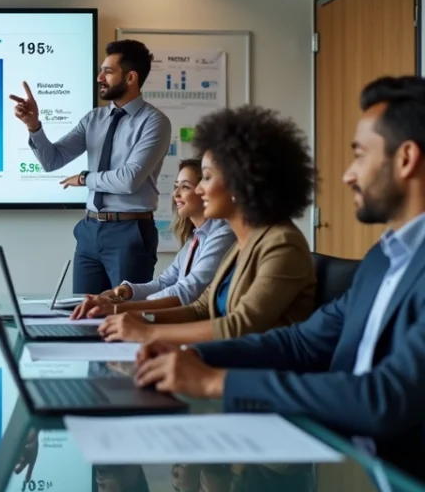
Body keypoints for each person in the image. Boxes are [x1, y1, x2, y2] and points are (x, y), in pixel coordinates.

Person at [132, 76, 425, 481]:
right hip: (344, 462)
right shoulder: (383, 259)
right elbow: (302, 341)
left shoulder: (289, 242)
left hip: (387, 478)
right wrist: (198, 357)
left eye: (359, 155)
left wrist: (218, 381)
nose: (348, 176)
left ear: (406, 158)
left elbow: (385, 397)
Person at [97, 105, 317, 344]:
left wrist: (146, 330)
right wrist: (125, 315)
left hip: (257, 371)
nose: (199, 189)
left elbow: (239, 326)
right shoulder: (243, 243)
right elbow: (201, 308)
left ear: (241, 184)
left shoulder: (282, 243)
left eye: (208, 177)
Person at [10, 39, 171, 294]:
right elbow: (52, 161)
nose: (99, 77)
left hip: (129, 232)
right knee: (82, 314)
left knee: (124, 316)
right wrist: (34, 126)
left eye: (108, 71)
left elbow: (129, 179)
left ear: (131, 78)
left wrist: (85, 178)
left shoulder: (155, 122)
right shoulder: (94, 119)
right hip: (89, 230)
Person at [70, 159, 235, 319]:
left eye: (185, 187)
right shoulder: (196, 237)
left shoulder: (222, 234)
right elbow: (165, 282)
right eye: (176, 187)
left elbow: (188, 291)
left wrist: (119, 308)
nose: (176, 194)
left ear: (203, 191)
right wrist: (127, 291)